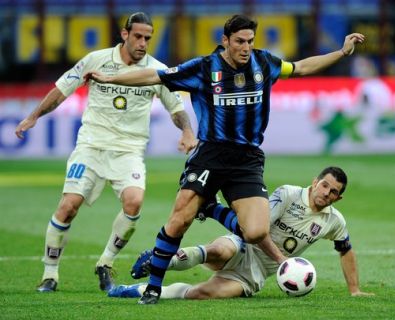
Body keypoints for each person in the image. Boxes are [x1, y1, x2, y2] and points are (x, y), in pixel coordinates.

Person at [86, 14, 366, 304]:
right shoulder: (204, 67)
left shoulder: (265, 62)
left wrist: (342, 52)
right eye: (240, 42)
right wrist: (110, 77)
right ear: (225, 41)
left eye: (250, 41)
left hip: (247, 160)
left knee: (256, 231)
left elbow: (301, 67)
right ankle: (154, 288)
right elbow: (155, 76)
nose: (246, 47)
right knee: (180, 220)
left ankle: (212, 208)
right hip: (211, 154)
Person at [14, 12, 197, 293]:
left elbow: (177, 108)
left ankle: (105, 263)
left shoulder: (156, 70)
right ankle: (50, 274)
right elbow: (61, 89)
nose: (143, 43)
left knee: (134, 202)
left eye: (148, 38)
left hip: (129, 150)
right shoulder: (96, 59)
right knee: (68, 206)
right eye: (138, 36)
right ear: (125, 34)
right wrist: (33, 116)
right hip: (91, 146)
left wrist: (186, 131)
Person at [109, 166, 374, 299]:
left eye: (333, 192)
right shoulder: (288, 194)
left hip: (255, 274)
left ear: (338, 198)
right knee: (219, 250)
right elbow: (253, 231)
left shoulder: (334, 221)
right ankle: (160, 259)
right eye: (324, 185)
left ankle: (133, 290)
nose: (326, 193)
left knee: (200, 295)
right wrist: (284, 262)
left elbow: (345, 249)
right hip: (245, 245)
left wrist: (354, 289)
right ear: (315, 182)